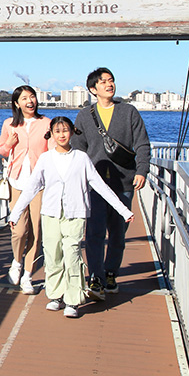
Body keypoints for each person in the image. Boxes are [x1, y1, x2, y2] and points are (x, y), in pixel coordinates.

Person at [8, 117, 133, 318]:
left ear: (72, 132)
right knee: (53, 255)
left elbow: (100, 185)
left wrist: (123, 210)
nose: (62, 135)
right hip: (51, 213)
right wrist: (15, 213)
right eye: (57, 131)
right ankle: (56, 295)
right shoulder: (46, 159)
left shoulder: (81, 158)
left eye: (65, 130)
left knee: (72, 253)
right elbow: (32, 187)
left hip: (75, 213)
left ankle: (73, 300)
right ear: (51, 134)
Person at [72, 67, 151, 300]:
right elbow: (78, 148)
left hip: (123, 182)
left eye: (111, 80)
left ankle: (110, 273)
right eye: (104, 82)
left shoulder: (129, 112)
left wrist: (142, 170)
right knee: (94, 232)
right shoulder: (85, 115)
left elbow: (142, 144)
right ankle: (95, 277)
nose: (109, 84)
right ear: (93, 89)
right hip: (95, 185)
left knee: (118, 233)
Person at [0, 85, 52, 294]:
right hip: (17, 182)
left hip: (40, 184)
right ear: (16, 103)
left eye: (32, 97)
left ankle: (28, 274)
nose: (30, 101)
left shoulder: (46, 123)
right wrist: (9, 143)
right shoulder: (9, 124)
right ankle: (16, 261)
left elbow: (53, 150)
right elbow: (2, 150)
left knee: (36, 231)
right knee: (19, 230)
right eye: (25, 98)